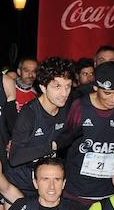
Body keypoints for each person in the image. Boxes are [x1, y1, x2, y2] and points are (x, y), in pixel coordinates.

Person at [54, 61, 114, 205]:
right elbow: (61, 143)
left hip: (109, 194)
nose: (113, 99)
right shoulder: (78, 106)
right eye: (107, 93)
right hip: (76, 193)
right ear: (95, 87)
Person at [7, 56, 72, 196]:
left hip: (47, 185)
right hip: (20, 185)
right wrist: (52, 146)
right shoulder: (29, 113)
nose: (64, 93)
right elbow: (15, 158)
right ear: (43, 87)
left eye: (68, 86)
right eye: (57, 86)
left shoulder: (66, 108)